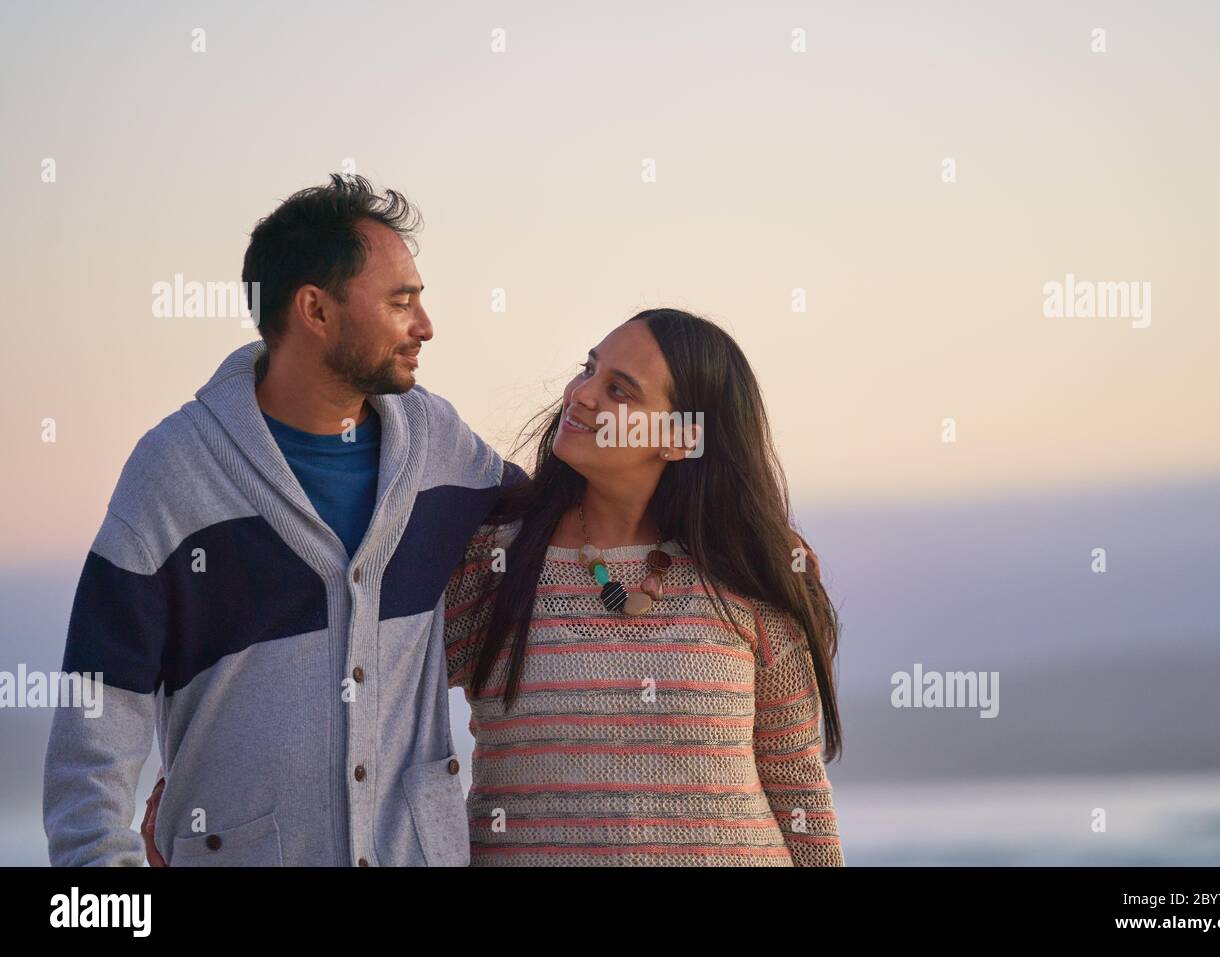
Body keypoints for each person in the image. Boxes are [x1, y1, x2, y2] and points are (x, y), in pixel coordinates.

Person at [44, 174, 520, 866]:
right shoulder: (174, 471)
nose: (426, 325)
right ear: (315, 311)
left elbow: (559, 524)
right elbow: (97, 711)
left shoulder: (437, 441)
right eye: (401, 302)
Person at [442, 309, 844, 865]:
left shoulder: (748, 577)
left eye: (619, 391)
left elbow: (795, 781)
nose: (580, 395)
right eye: (588, 369)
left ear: (680, 439)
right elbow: (371, 702)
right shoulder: (493, 564)